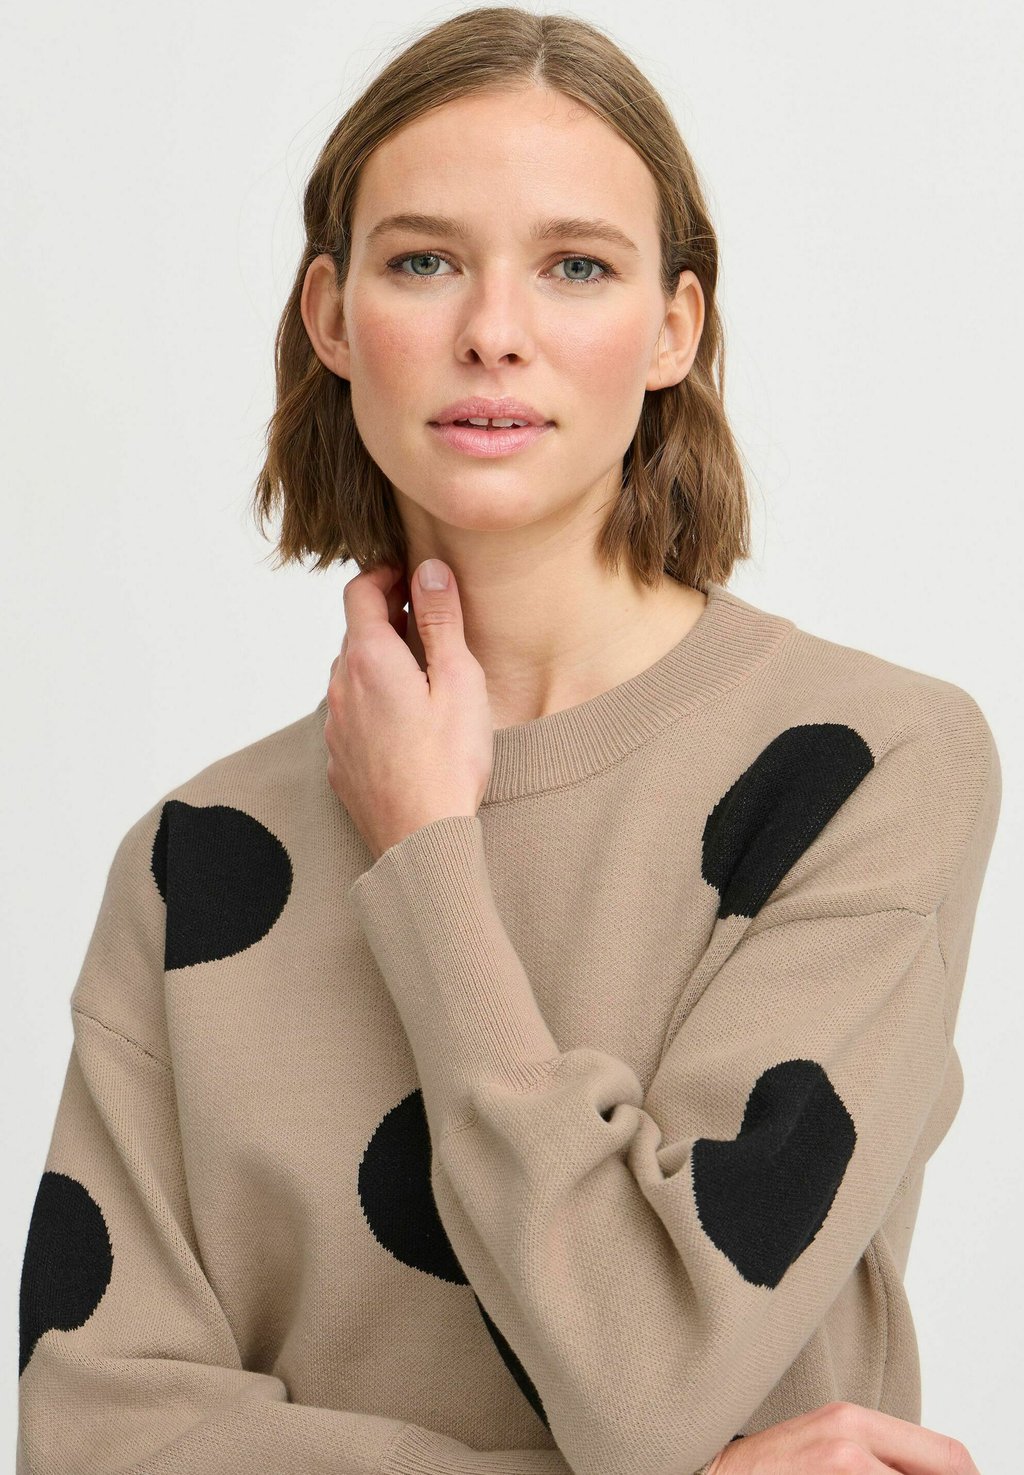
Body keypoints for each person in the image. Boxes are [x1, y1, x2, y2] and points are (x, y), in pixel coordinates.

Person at [17, 8, 998, 1475]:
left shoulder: (867, 766)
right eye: (424, 261)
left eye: (576, 266)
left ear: (674, 328)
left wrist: (425, 856)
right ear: (331, 315)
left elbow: (649, 1385)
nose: (493, 328)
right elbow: (93, 1436)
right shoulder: (195, 862)